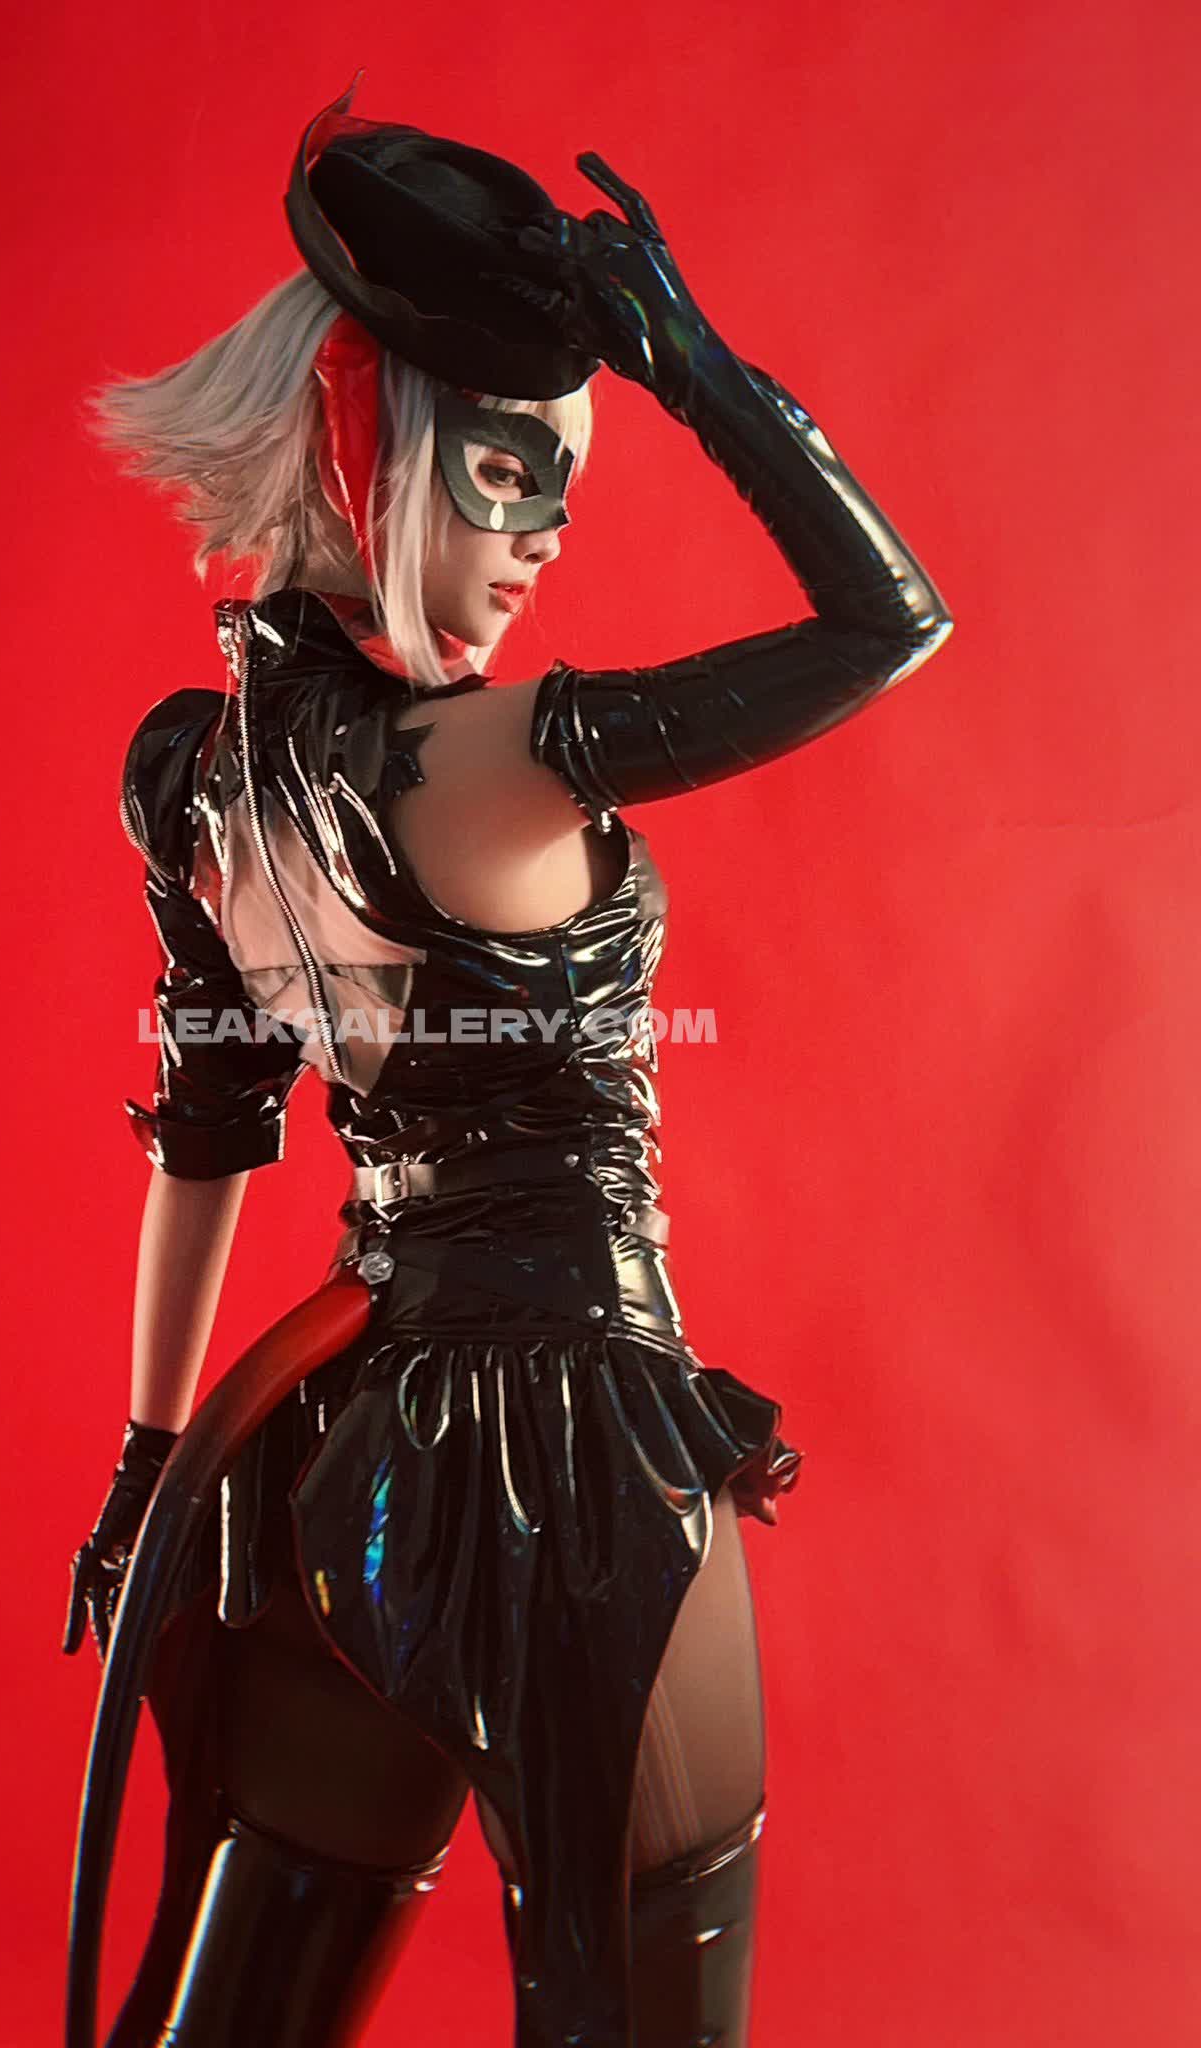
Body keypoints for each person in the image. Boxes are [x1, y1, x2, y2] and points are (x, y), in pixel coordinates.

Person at [62, 72, 952, 2048]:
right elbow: (887, 622)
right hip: (585, 1467)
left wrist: (147, 1468)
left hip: (328, 1463)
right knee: (645, 1988)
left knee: (232, 2006)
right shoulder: (512, 756)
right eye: (503, 473)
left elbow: (210, 1126)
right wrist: (694, 367)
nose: (545, 534)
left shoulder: (194, 780)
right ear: (364, 441)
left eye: (565, 482)